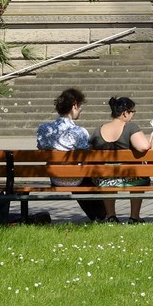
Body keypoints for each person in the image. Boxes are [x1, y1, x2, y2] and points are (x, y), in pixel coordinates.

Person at [35, 87, 107, 221]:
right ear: (74, 105)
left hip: (55, 178)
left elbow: (41, 148)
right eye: (80, 106)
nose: (81, 109)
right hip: (75, 178)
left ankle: (98, 215)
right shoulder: (79, 132)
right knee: (86, 169)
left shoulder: (44, 129)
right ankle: (101, 214)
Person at [92, 95, 153, 222]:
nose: (132, 115)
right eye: (132, 112)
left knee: (107, 172)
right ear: (125, 113)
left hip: (104, 179)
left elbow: (89, 149)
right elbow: (143, 146)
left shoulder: (99, 129)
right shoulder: (130, 127)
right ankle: (134, 217)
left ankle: (111, 216)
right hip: (128, 177)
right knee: (139, 174)